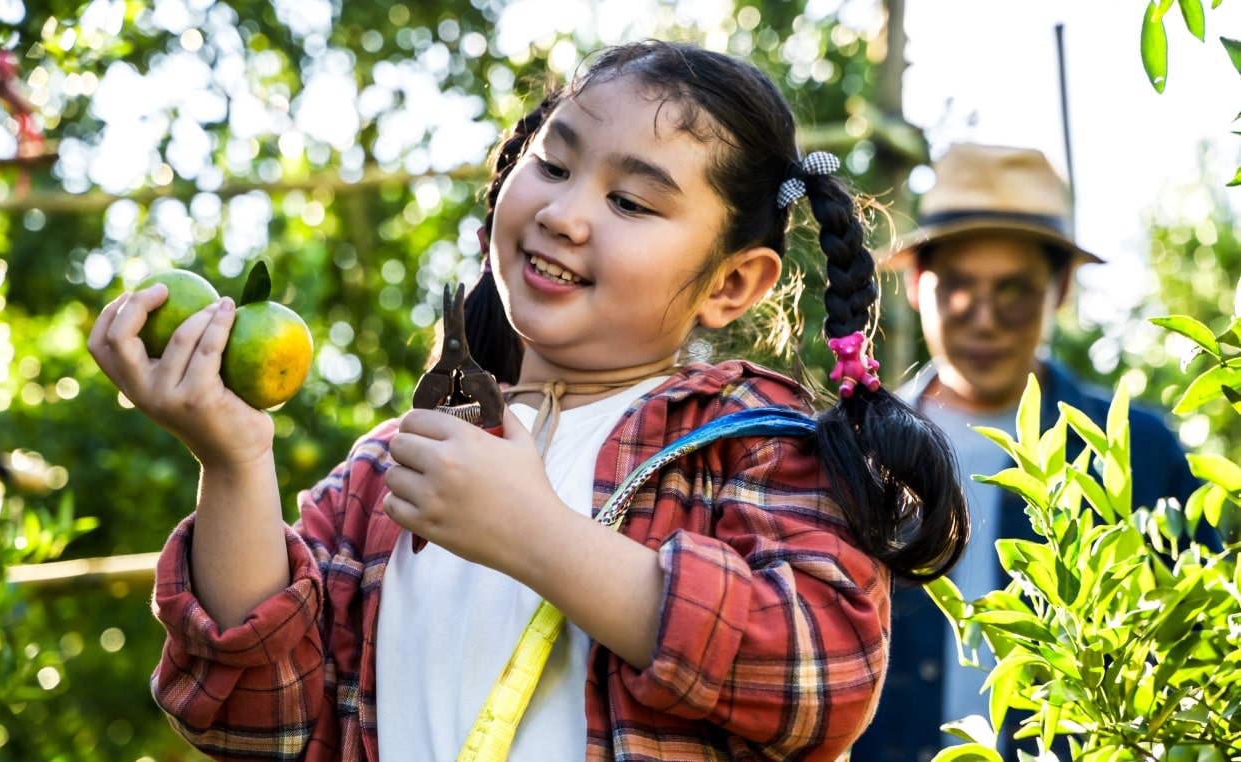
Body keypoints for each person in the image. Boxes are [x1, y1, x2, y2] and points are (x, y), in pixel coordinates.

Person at [88, 41, 969, 761]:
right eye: (553, 164)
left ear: (732, 283)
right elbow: (257, 721)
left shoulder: (753, 446)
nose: (564, 213)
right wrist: (235, 460)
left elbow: (820, 678)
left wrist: (538, 536)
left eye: (630, 201)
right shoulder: (396, 466)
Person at [851, 143, 1201, 762]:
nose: (984, 318)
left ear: (1059, 288)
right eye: (959, 287)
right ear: (917, 284)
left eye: (1013, 291)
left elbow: (1196, 641)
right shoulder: (858, 450)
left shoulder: (1137, 451)